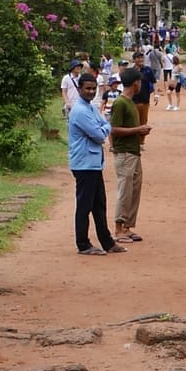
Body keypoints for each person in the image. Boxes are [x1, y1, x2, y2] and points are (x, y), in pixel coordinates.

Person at [67, 72, 120, 255]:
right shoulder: (80, 111)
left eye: (93, 88)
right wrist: (103, 128)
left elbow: (104, 126)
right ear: (80, 89)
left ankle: (107, 242)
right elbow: (99, 134)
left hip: (93, 163)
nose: (91, 92)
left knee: (99, 204)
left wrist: (103, 127)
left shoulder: (90, 108)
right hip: (84, 164)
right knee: (85, 205)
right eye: (87, 89)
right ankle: (83, 244)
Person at [109, 63, 150, 240]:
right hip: (124, 153)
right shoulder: (120, 103)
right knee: (124, 190)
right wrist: (138, 130)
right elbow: (114, 129)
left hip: (133, 152)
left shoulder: (130, 103)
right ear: (135, 83)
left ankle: (127, 227)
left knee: (134, 189)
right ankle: (118, 228)